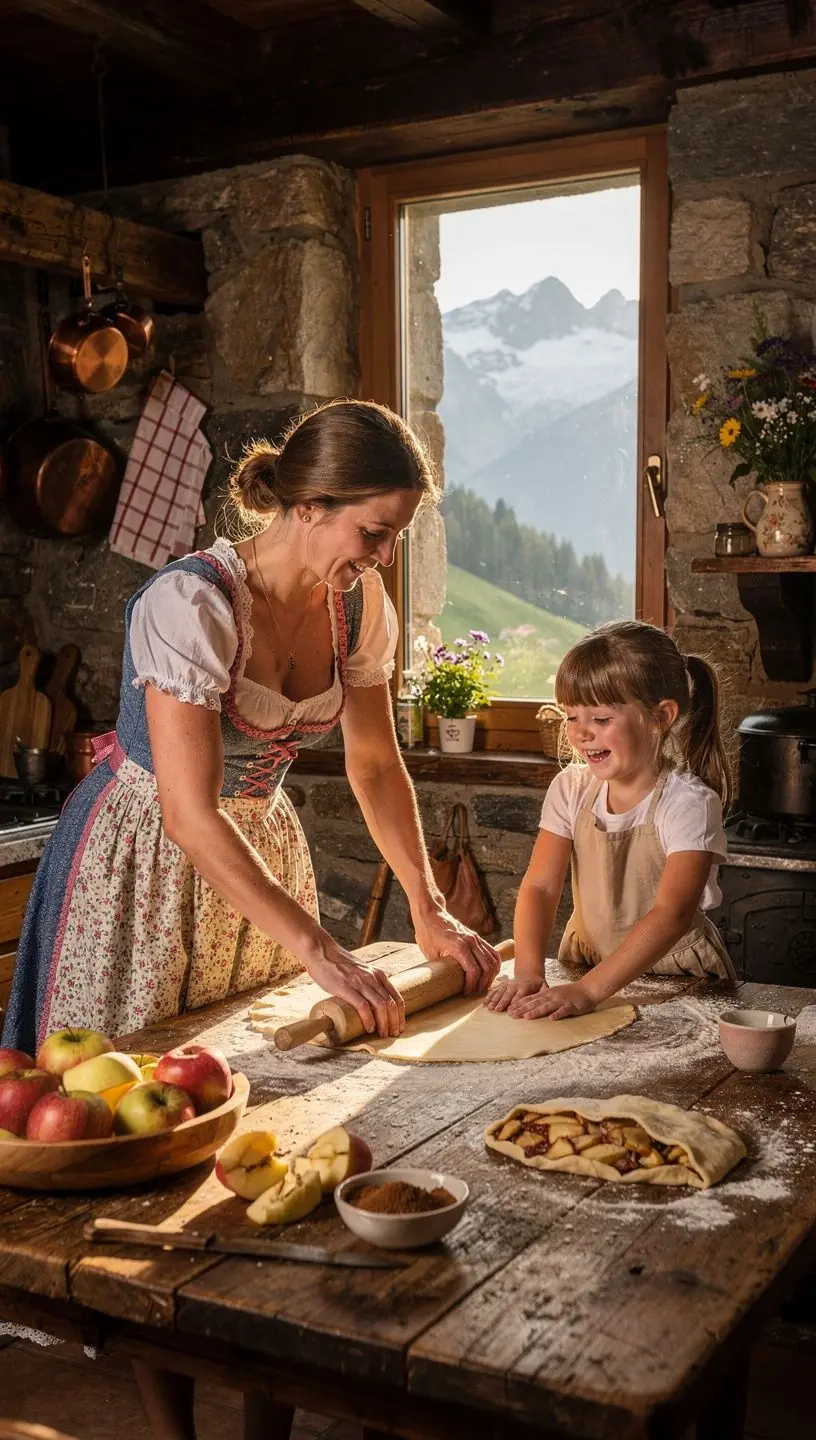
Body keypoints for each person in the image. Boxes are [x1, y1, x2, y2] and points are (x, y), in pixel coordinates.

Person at [4, 399, 501, 1058]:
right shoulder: (191, 604)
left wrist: (427, 904)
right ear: (310, 508)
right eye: (373, 533)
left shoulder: (356, 605)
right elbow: (189, 813)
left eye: (395, 538)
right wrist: (322, 949)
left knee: (257, 1069)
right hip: (147, 859)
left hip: (261, 855)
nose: (384, 557)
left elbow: (377, 764)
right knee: (128, 1077)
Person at [487, 619, 734, 1022]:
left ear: (661, 716)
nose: (581, 733)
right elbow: (540, 886)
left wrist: (588, 991)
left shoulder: (688, 804)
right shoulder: (570, 789)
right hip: (585, 965)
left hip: (677, 979)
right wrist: (529, 971)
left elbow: (671, 914)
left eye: (600, 719)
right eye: (571, 716)